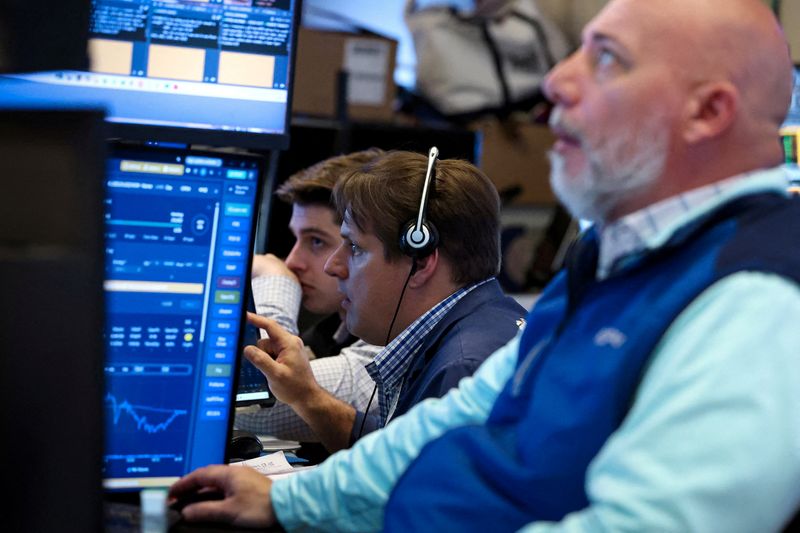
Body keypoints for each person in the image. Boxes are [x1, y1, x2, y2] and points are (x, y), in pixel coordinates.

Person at [169, 0, 800, 530]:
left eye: (607, 59)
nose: (556, 81)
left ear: (708, 113)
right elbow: (459, 421)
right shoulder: (609, 264)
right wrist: (289, 501)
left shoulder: (757, 301)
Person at [244, 150, 526, 452]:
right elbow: (397, 456)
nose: (333, 265)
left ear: (420, 261)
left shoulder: (461, 370)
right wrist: (305, 396)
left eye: (354, 246)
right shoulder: (487, 322)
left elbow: (415, 493)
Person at [236, 149, 385, 443]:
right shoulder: (334, 330)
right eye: (297, 239)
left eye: (316, 241)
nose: (293, 262)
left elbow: (252, 399)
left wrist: (275, 278)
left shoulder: (391, 339)